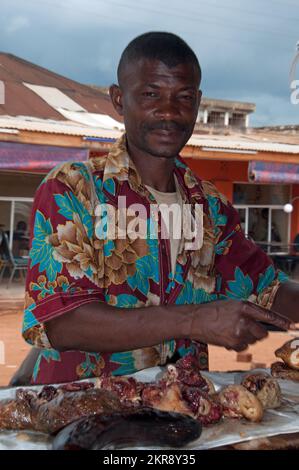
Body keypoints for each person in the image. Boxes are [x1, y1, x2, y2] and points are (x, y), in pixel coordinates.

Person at [19, 32, 297, 386]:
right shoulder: (74, 189)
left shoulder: (211, 208)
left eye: (183, 97)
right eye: (151, 94)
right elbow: (64, 321)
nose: (169, 112)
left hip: (182, 412)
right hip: (83, 415)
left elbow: (269, 292)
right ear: (119, 99)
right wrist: (194, 320)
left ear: (197, 102)